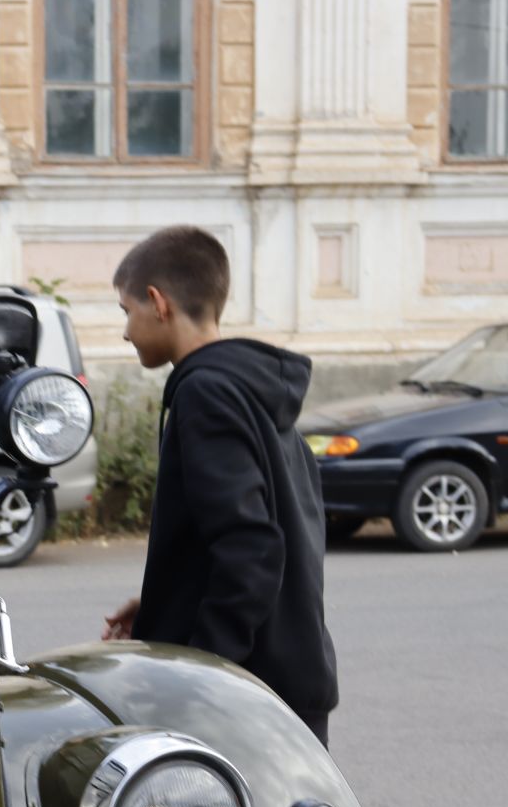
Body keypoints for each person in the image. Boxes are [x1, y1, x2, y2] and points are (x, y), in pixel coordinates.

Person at [100, 226, 339, 746]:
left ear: (158, 303)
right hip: (286, 675)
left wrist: (203, 672)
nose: (125, 331)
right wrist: (167, 601)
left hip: (245, 696)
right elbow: (268, 527)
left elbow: (251, 548)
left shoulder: (205, 392)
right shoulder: (251, 386)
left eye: (126, 311)